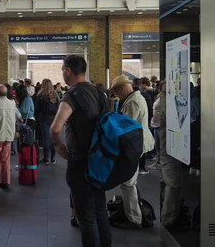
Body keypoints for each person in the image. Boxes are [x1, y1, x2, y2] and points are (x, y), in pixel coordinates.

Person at [51, 55, 112, 247]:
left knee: (86, 217)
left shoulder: (71, 96)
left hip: (80, 163)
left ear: (68, 70)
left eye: (63, 70)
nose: (62, 73)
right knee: (100, 212)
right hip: (99, 160)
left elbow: (55, 128)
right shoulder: (98, 93)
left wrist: (58, 145)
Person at [109, 75, 155, 229]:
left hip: (135, 146)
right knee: (129, 182)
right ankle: (132, 214)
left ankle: (134, 218)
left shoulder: (134, 101)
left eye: (117, 91)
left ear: (122, 88)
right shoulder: (135, 98)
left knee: (128, 183)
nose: (117, 95)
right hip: (136, 145)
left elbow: (127, 126)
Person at [159, 80, 183, 230]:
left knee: (169, 182)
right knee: (173, 183)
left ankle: (169, 215)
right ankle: (168, 218)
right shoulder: (166, 103)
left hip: (168, 147)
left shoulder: (162, 100)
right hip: (169, 147)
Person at [35, 79, 59, 164]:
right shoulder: (55, 94)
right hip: (54, 119)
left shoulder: (41, 94)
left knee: (46, 139)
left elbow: (37, 108)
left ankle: (46, 158)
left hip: (44, 119)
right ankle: (53, 158)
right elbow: (58, 107)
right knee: (53, 139)